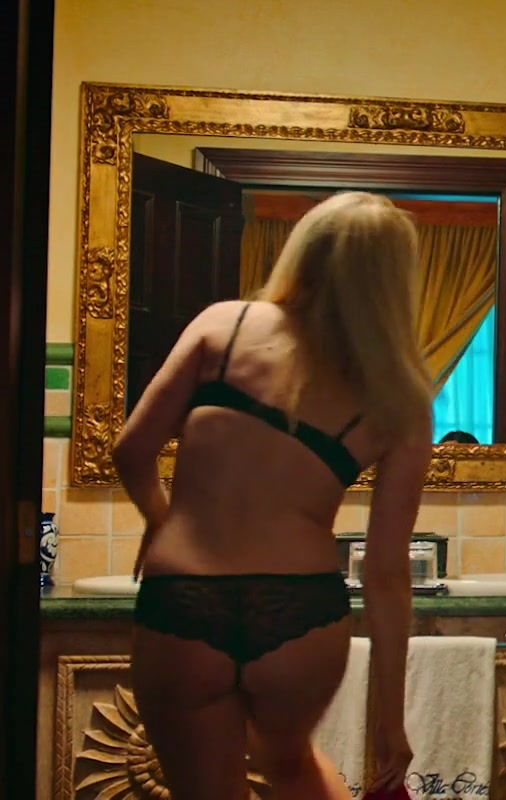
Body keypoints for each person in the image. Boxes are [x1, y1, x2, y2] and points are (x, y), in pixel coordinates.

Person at [112, 191, 434, 800]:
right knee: (293, 770)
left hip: (184, 598)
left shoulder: (224, 325)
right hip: (300, 610)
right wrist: (390, 720)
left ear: (303, 250)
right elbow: (387, 574)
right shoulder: (399, 397)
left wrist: (160, 520)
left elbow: (131, 450)